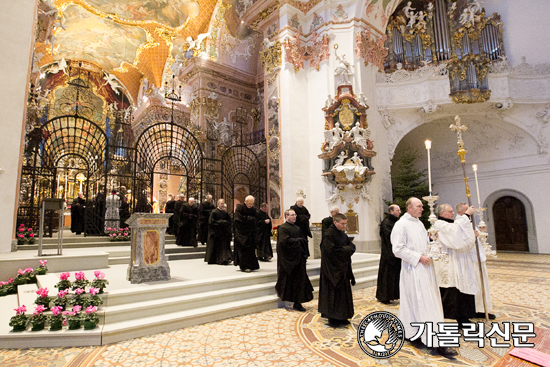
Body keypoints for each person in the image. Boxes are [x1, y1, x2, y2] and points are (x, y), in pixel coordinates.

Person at [391, 197, 457, 357]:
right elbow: (397, 249)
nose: (422, 209)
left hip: (425, 269)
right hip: (413, 270)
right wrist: (419, 257)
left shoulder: (419, 223)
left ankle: (413, 333)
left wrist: (431, 241)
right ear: (409, 208)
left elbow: (422, 244)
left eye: (421, 206)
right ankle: (436, 342)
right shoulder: (401, 224)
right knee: (424, 303)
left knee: (422, 302)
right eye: (419, 206)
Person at [434, 203, 477, 328]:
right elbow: (454, 237)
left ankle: (463, 317)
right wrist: (467, 215)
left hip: (459, 261)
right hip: (448, 262)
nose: (452, 213)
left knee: (463, 289)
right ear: (442, 213)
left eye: (452, 211)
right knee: (452, 291)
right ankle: (451, 321)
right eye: (450, 211)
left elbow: (462, 235)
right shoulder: (439, 224)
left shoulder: (451, 224)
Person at [456, 203, 496, 319]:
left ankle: (483, 308)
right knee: (475, 284)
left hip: (478, 257)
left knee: (482, 284)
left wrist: (479, 234)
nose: (470, 211)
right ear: (460, 213)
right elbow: (461, 241)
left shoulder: (469, 222)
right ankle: (476, 309)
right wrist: (473, 236)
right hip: (470, 260)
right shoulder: (458, 224)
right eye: (466, 210)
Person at [318, 213, 356, 327]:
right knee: (333, 294)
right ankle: (333, 317)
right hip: (332, 270)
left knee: (343, 295)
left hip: (342, 269)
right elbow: (331, 252)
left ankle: (342, 316)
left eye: (345, 224)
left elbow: (352, 246)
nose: (345, 226)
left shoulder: (342, 234)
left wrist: (346, 249)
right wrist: (346, 250)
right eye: (342, 224)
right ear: (335, 222)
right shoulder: (328, 235)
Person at [275, 209, 313, 312]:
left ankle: (298, 302)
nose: (294, 216)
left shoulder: (297, 228)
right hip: (288, 260)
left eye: (295, 214)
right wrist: (298, 241)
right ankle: (288, 300)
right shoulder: (282, 228)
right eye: (292, 215)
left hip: (298, 258)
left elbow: (302, 240)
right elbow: (284, 242)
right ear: (286, 216)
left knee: (299, 281)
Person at [376, 204, 402, 304]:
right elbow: (389, 238)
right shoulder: (386, 223)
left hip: (394, 254)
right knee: (387, 276)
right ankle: (384, 296)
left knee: (393, 276)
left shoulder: (396, 222)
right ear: (391, 211)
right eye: (397, 210)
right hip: (388, 254)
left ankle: (393, 295)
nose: (399, 212)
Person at [233, 195, 259, 272]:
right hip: (241, 233)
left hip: (250, 233)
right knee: (243, 250)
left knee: (251, 250)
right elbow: (238, 220)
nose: (250, 205)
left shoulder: (253, 209)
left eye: (252, 203)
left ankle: (252, 265)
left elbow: (256, 219)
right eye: (249, 203)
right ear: (245, 201)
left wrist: (249, 219)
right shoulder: (240, 208)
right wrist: (249, 219)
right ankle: (244, 266)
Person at [205, 199, 233, 265]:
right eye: (221, 203)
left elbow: (229, 221)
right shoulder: (214, 212)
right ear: (218, 204)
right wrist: (221, 222)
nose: (222, 205)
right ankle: (214, 260)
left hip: (223, 233)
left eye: (223, 203)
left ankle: (224, 259)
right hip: (215, 232)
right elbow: (211, 222)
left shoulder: (225, 213)